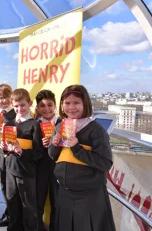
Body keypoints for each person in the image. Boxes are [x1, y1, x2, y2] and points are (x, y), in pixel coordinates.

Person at [49, 85, 115, 231]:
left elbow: (105, 163)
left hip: (89, 195)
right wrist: (54, 145)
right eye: (67, 103)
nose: (71, 107)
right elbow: (53, 156)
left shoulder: (96, 130)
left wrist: (77, 148)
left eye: (76, 103)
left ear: (85, 104)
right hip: (65, 192)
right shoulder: (60, 126)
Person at [3, 88, 42, 231]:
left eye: (23, 105)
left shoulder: (34, 125)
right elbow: (7, 150)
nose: (20, 109)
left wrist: (22, 151)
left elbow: (39, 153)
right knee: (12, 205)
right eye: (16, 106)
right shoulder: (9, 124)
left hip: (26, 172)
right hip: (10, 170)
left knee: (28, 209)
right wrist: (4, 147)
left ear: (30, 104)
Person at [34, 90, 61, 231]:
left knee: (57, 202)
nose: (46, 109)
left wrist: (56, 143)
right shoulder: (34, 125)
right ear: (37, 108)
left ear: (55, 106)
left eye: (49, 105)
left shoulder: (63, 124)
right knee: (38, 201)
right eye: (42, 106)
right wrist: (40, 144)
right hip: (40, 168)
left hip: (58, 168)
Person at [0, 84, 16, 227]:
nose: (3, 101)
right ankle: (8, 214)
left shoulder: (15, 113)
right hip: (0, 152)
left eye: (6, 97)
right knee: (3, 185)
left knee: (11, 187)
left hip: (13, 155)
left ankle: (13, 216)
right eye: (0, 98)